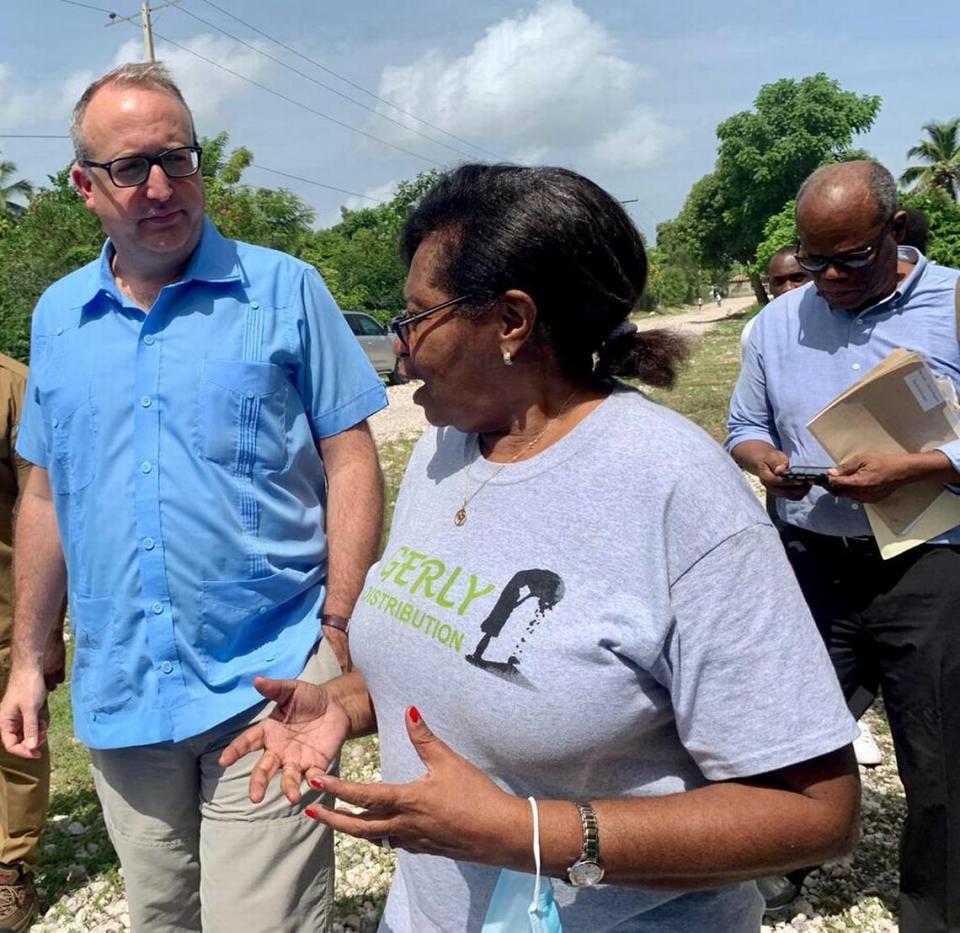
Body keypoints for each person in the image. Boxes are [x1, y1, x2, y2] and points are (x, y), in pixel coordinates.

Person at [222, 164, 860, 933]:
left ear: (513, 321)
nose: (401, 349)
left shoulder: (674, 489)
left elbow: (817, 812)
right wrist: (346, 704)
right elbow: (454, 652)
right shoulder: (443, 453)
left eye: (418, 317)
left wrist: (530, 834)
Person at [0, 63, 386, 932]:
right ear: (84, 185)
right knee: (162, 915)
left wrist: (338, 625)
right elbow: (45, 493)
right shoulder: (58, 318)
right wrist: (30, 657)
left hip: (272, 675)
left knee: (261, 921)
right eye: (131, 167)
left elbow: (352, 455)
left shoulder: (285, 290)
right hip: (123, 689)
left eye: (180, 158)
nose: (164, 187)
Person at [727, 159, 960, 933]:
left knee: (937, 752)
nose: (827, 277)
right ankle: (776, 872)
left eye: (849, 260)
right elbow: (744, 427)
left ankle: (933, 911)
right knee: (792, 728)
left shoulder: (953, 301)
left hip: (927, 563)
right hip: (811, 562)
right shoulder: (775, 323)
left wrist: (921, 466)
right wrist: (765, 461)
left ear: (895, 231)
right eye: (812, 258)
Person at [0, 352, 65, 933]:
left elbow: (45, 511)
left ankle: (9, 868)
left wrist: (44, 636)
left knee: (13, 748)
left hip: (2, 617)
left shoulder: (13, 390)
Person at [739, 246, 811, 360]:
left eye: (797, 278)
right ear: (770, 287)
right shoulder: (755, 331)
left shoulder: (838, 321)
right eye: (779, 282)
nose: (788, 288)